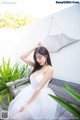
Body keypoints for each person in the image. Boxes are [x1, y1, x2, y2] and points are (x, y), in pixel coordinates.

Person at [8, 42, 57, 120]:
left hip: (40, 97)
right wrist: (35, 47)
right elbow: (22, 57)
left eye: (40, 57)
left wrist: (27, 104)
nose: (38, 60)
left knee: (17, 117)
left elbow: (39, 88)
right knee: (13, 113)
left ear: (46, 56)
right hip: (29, 92)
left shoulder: (49, 69)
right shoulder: (36, 66)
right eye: (36, 58)